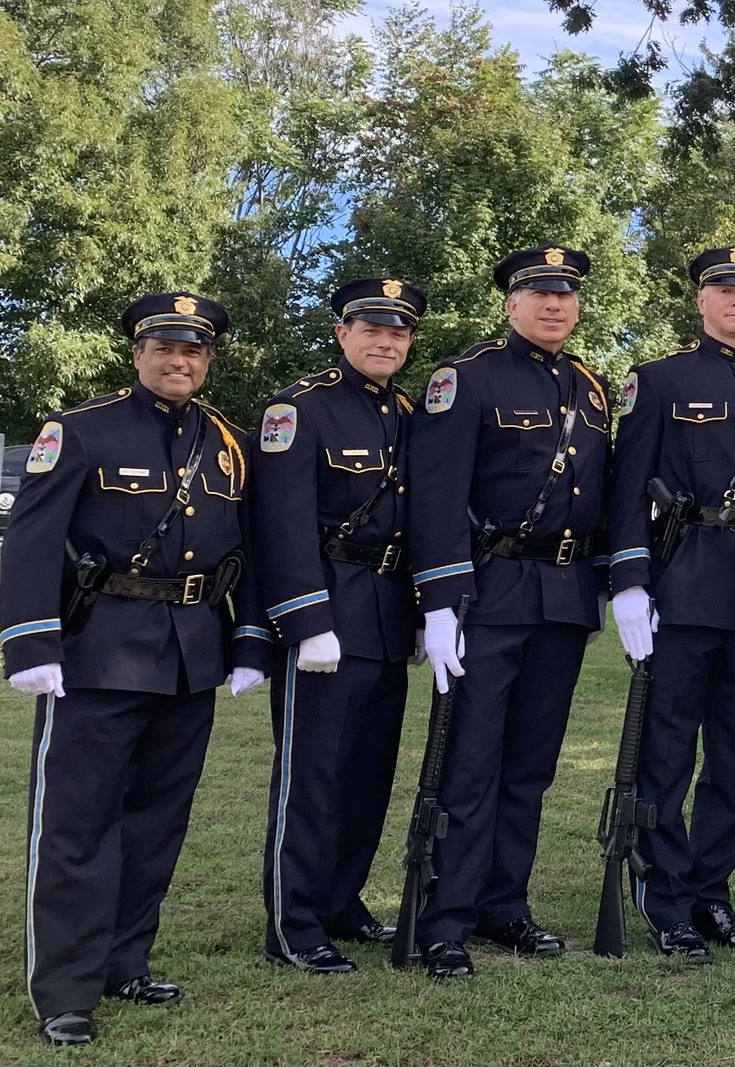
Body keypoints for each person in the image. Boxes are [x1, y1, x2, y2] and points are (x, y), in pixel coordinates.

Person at [0, 293, 270, 1045]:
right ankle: (66, 987)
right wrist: (30, 644)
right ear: (138, 352)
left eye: (195, 350)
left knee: (157, 820)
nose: (180, 361)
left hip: (191, 654)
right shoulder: (80, 431)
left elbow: (251, 549)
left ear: (207, 358)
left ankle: (126, 958)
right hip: (97, 651)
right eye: (166, 348)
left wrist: (251, 641)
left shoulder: (230, 443)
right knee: (78, 825)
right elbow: (29, 540)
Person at [407, 246, 611, 978]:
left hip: (562, 594)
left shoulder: (590, 389)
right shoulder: (466, 378)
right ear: (511, 303)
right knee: (471, 760)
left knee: (530, 763)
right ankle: (446, 917)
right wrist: (438, 599)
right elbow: (433, 497)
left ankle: (504, 903)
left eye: (566, 295)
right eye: (539, 294)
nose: (555, 305)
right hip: (488, 593)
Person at [605, 245, 735, 960]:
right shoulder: (657, 380)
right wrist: (629, 581)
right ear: (701, 300)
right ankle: (663, 896)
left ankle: (710, 892)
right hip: (684, 587)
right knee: (666, 752)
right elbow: (629, 483)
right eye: (724, 289)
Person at [253, 277, 426, 974]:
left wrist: (418, 611)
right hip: (326, 612)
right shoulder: (299, 410)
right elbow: (280, 524)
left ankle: (340, 897)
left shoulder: (413, 414)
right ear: (342, 333)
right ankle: (292, 920)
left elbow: (419, 525)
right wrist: (304, 620)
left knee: (367, 773)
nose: (387, 342)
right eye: (373, 329)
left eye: (400, 332)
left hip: (385, 611)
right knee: (312, 773)